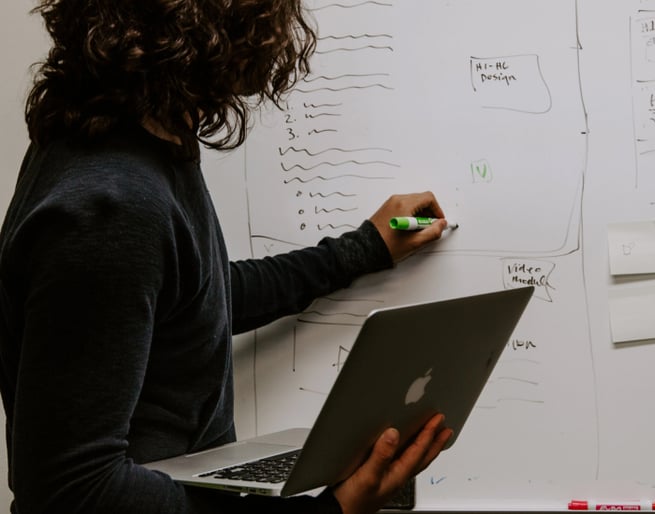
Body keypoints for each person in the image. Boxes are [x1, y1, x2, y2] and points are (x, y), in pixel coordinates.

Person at [0, 0, 455, 513]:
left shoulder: (133, 142)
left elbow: (192, 303)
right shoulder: (112, 204)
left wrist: (362, 249)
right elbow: (71, 489)